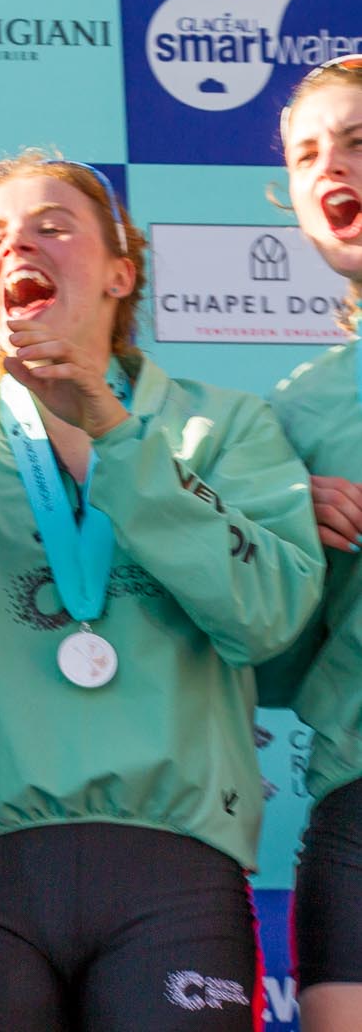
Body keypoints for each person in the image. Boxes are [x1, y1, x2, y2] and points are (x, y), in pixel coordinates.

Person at [0, 152, 322, 1031]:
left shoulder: (223, 426)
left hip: (176, 875)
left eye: (53, 227)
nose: (19, 245)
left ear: (122, 272)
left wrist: (113, 433)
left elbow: (268, 612)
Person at [257, 55, 362, 1031]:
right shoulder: (295, 412)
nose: (333, 167)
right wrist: (292, 540)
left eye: (358, 140)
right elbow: (272, 666)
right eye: (306, 153)